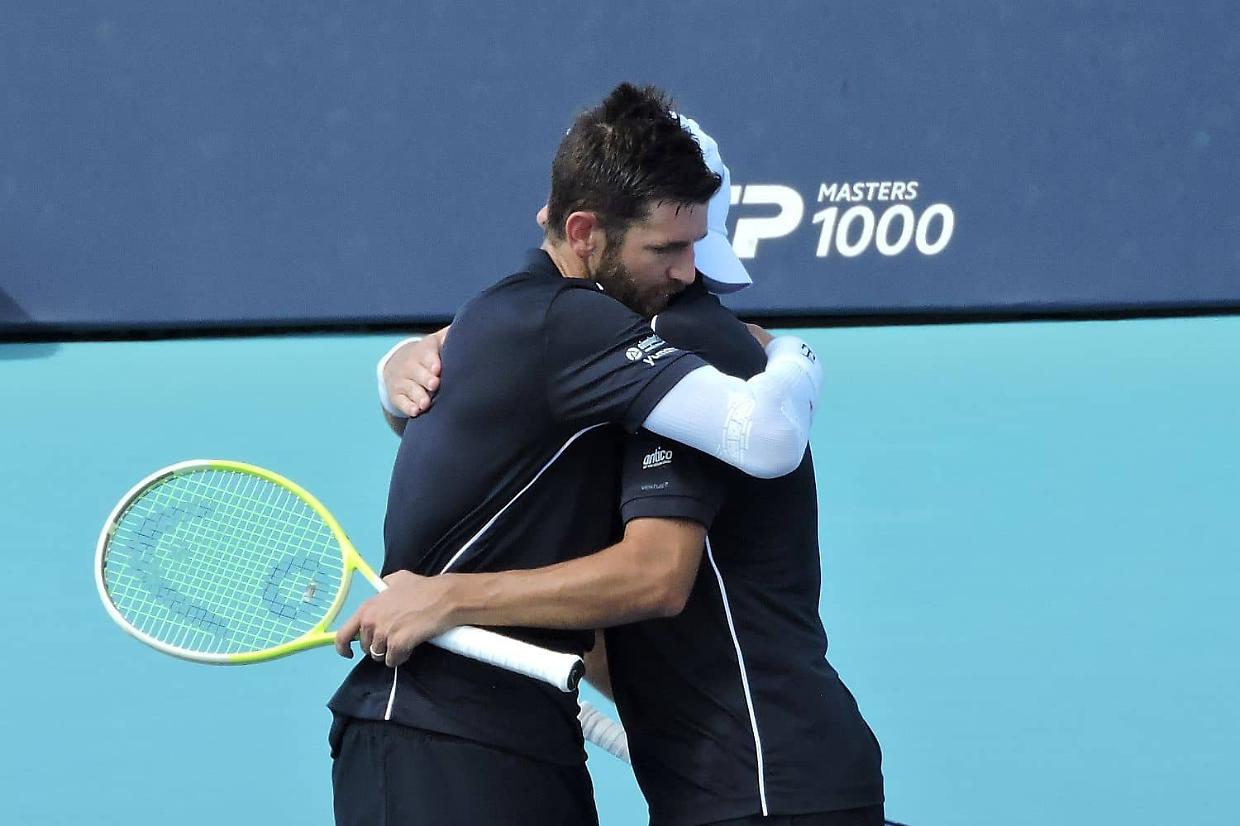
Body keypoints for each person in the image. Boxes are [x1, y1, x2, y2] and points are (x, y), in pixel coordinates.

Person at [364, 113, 886, 825]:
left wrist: (445, 598)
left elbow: (655, 577)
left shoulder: (683, 338)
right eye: (665, 249)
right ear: (580, 229)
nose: (685, 273)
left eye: (692, 249)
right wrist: (396, 364)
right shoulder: (587, 345)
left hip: (768, 781)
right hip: (719, 781)